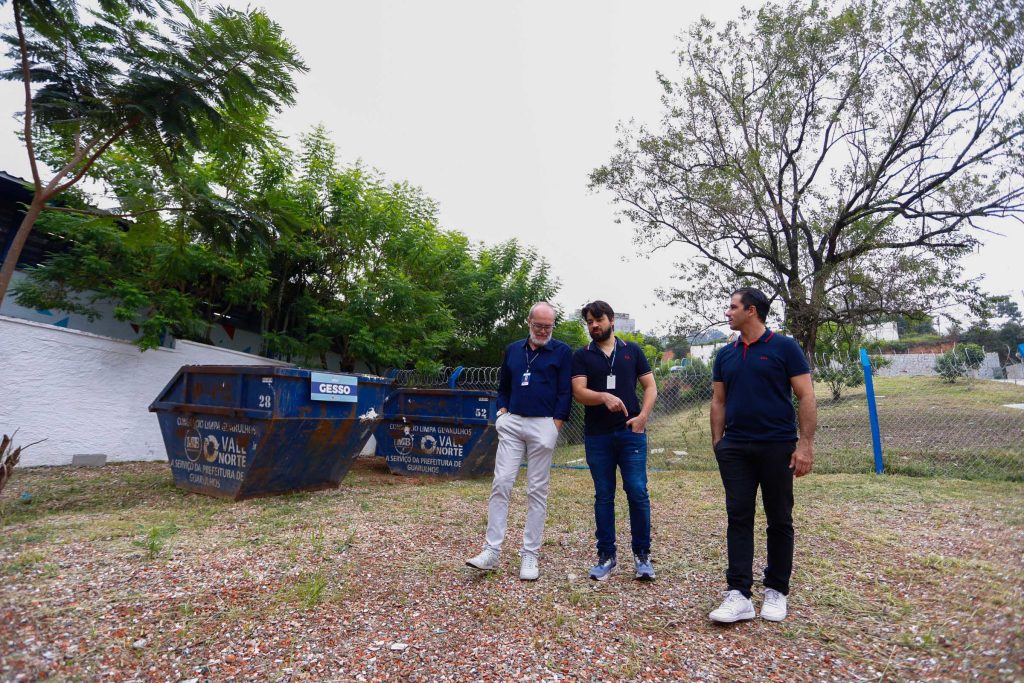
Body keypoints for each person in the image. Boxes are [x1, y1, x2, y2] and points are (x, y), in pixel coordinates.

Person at [708, 287, 816, 623]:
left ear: (751, 310)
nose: (727, 312)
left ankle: (776, 589)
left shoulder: (784, 347)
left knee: (779, 519)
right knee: (738, 517)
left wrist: (805, 445)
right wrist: (719, 444)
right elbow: (718, 401)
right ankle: (738, 594)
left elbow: (806, 395)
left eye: (732, 307)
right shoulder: (725, 355)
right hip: (736, 448)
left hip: (777, 446)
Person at [465, 301, 572, 581]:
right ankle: (491, 551)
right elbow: (503, 386)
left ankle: (530, 554)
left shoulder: (562, 352)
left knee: (537, 490)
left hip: (543, 424)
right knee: (501, 483)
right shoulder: (513, 349)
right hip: (512, 422)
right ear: (529, 323)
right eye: (538, 325)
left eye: (548, 326)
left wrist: (555, 426)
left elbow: (565, 392)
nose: (543, 331)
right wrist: (502, 412)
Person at [571, 300, 657, 581]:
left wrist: (643, 417)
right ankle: (606, 556)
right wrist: (603, 397)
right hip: (598, 436)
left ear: (611, 320)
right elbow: (579, 392)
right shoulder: (582, 355)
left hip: (631, 433)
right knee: (604, 496)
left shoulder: (632, 350)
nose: (594, 326)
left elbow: (650, 386)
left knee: (637, 492)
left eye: (598, 320)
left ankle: (642, 555)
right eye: (589, 322)